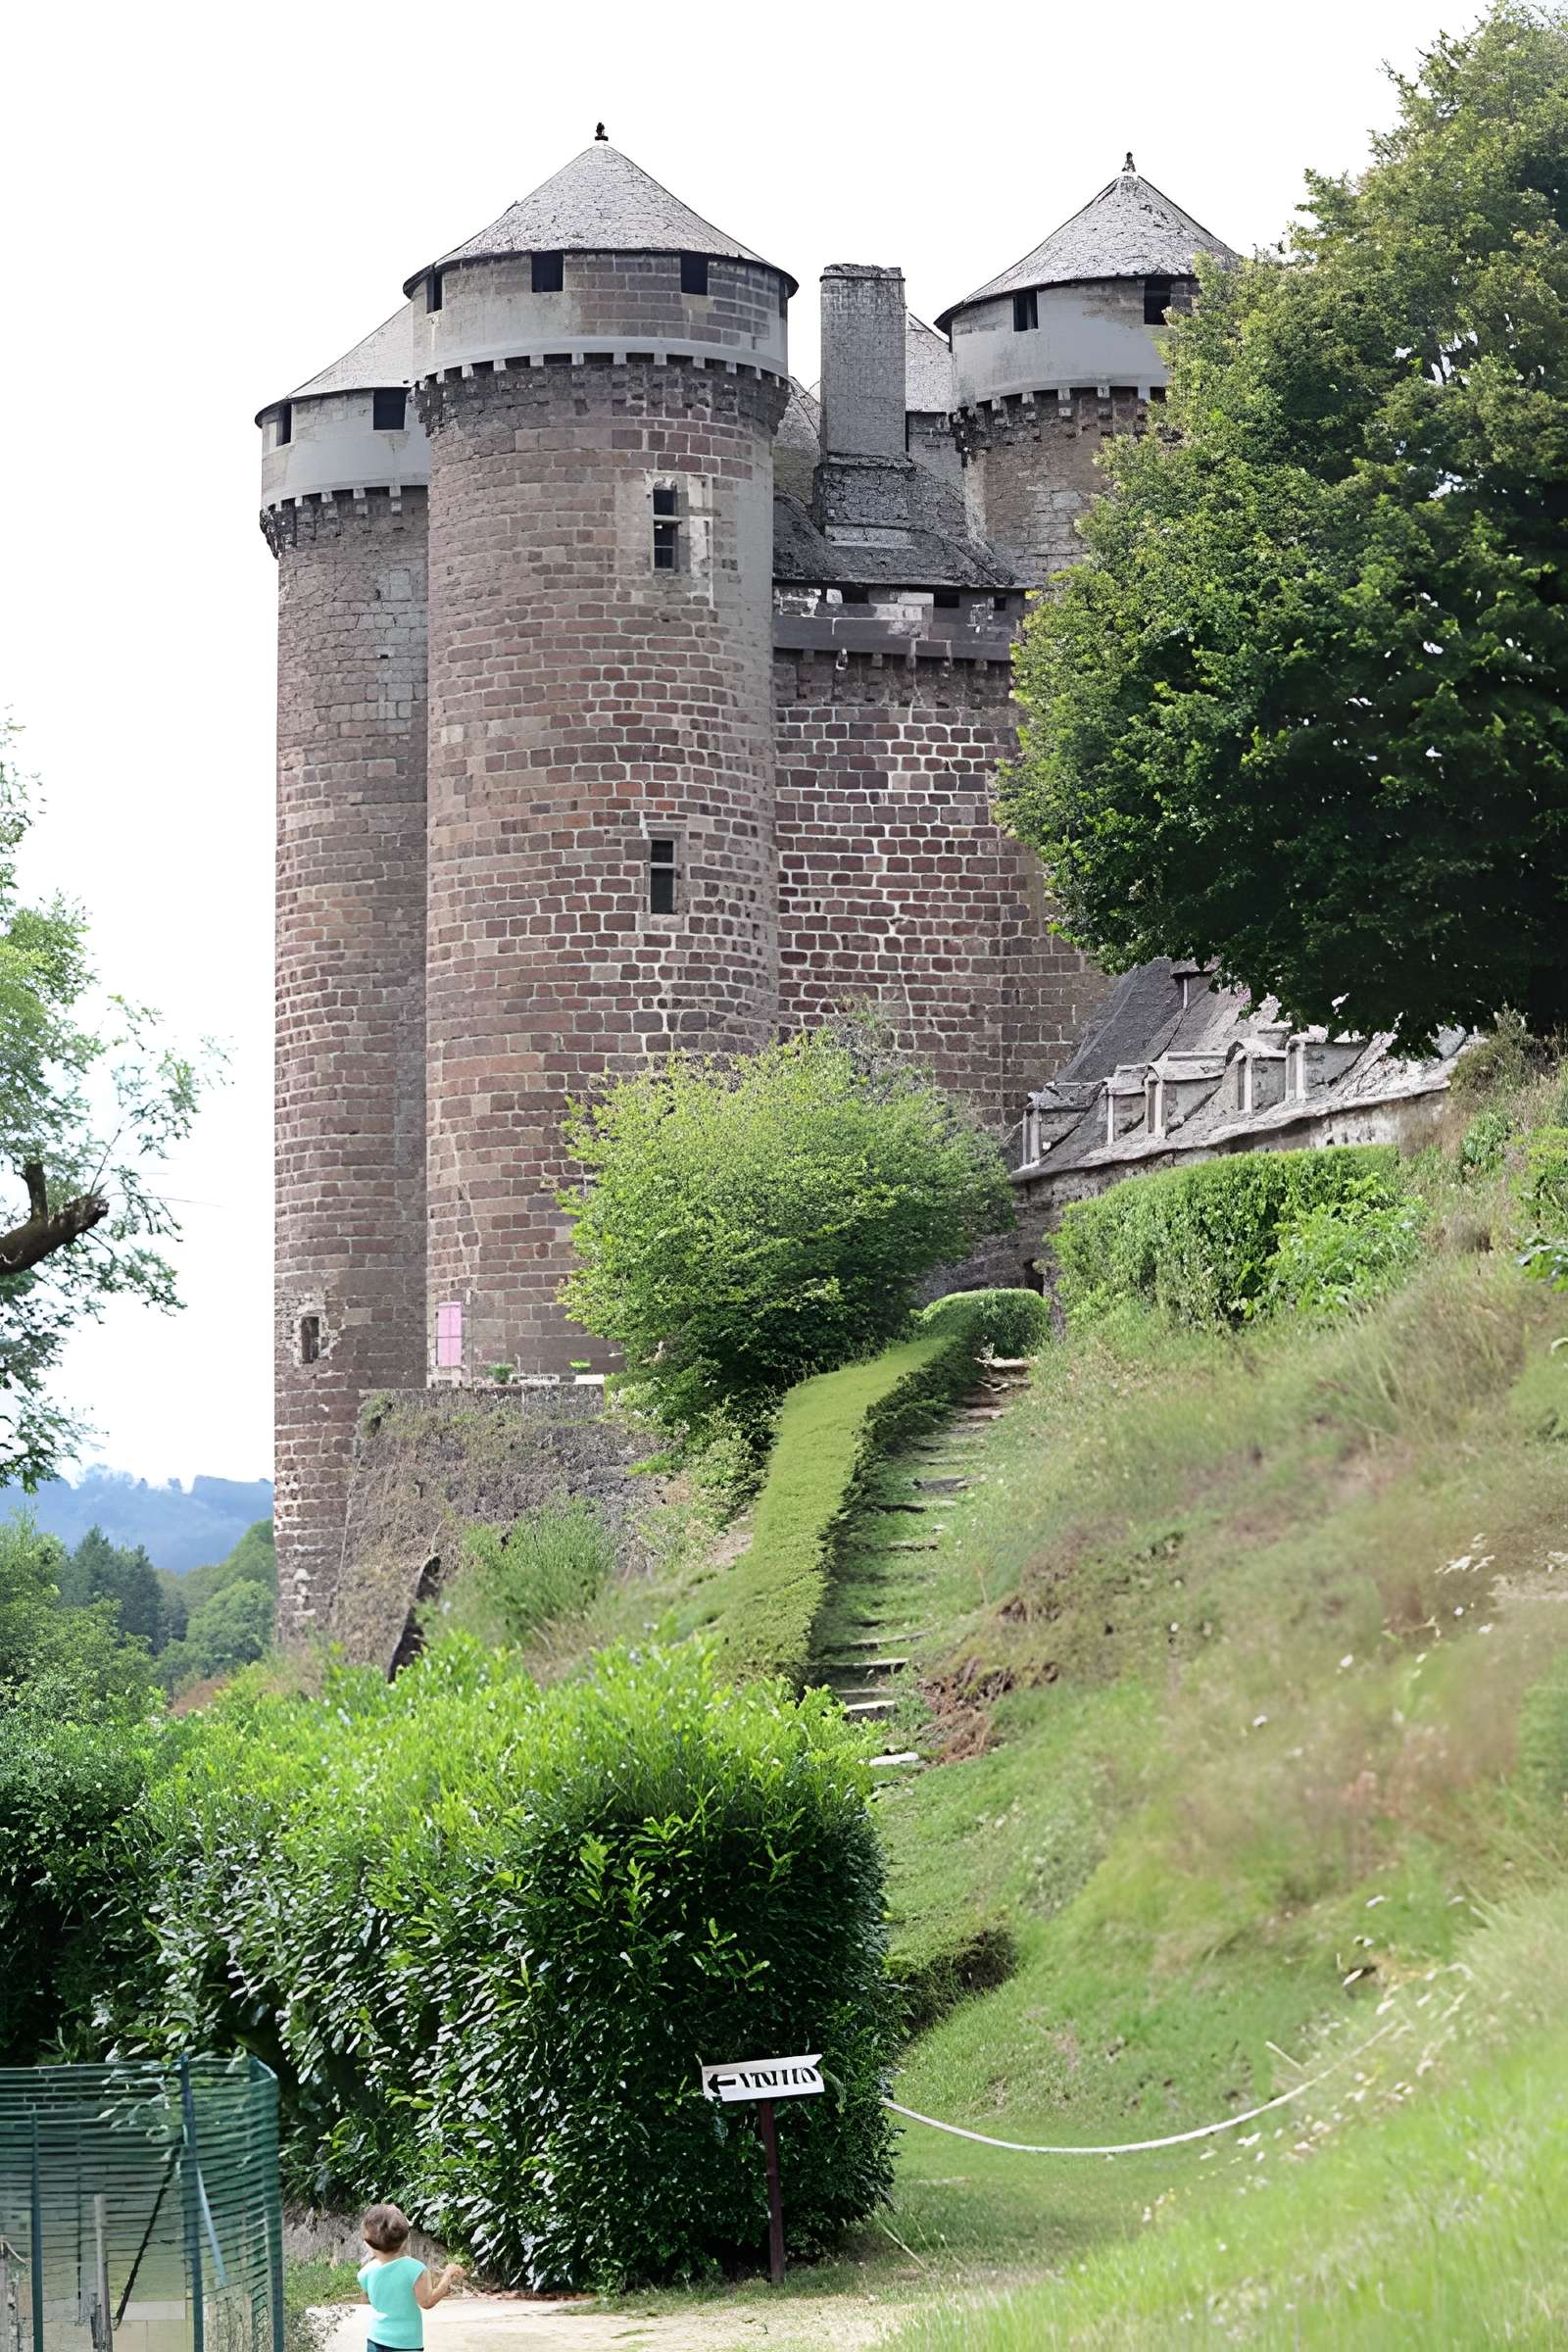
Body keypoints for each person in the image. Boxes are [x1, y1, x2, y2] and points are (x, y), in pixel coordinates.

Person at [358, 2203, 465, 2352]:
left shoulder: (365, 2273)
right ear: (405, 2239)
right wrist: (447, 2276)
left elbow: (368, 2299)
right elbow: (427, 2302)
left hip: (375, 2340)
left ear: (367, 2243)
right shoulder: (416, 2269)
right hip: (407, 2343)